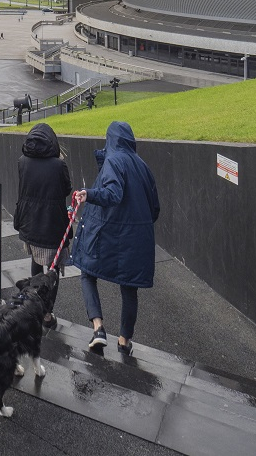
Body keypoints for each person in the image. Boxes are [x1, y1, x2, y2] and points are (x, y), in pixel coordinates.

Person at [73, 120, 159, 356]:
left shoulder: (113, 160)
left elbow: (113, 193)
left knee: (87, 272)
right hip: (137, 239)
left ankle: (98, 328)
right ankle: (124, 340)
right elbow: (155, 209)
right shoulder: (143, 166)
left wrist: (87, 194)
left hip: (110, 234)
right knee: (129, 288)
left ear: (109, 139)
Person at [13, 123, 73, 329]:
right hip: (53, 225)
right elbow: (66, 189)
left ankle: (31, 306)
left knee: (35, 263)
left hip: (30, 223)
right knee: (53, 270)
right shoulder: (58, 165)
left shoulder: (22, 162)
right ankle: (47, 314)